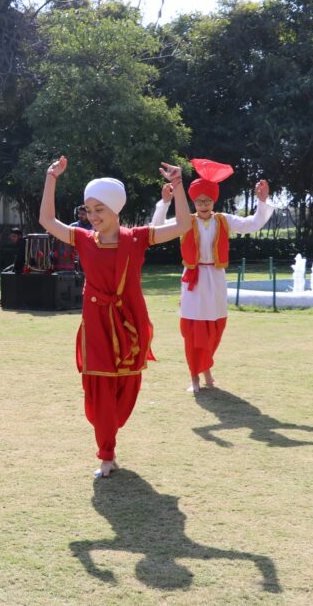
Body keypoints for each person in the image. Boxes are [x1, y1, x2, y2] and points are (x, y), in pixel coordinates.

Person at [38, 156, 190, 478]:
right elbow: (48, 220)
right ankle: (106, 454)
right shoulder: (82, 239)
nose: (92, 217)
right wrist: (51, 178)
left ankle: (110, 436)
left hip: (130, 321)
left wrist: (178, 186)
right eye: (88, 210)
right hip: (95, 321)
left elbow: (182, 226)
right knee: (100, 389)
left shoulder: (136, 238)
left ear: (115, 209)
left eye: (99, 210)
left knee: (127, 388)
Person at [151, 159, 274, 393]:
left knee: (215, 327)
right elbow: (156, 229)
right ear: (193, 202)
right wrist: (165, 203)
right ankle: (195, 377)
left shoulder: (224, 220)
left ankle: (206, 368)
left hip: (216, 278)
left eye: (207, 200)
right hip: (193, 280)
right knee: (193, 330)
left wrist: (262, 200)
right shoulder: (185, 221)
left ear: (213, 201)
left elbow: (253, 223)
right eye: (199, 201)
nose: (203, 205)